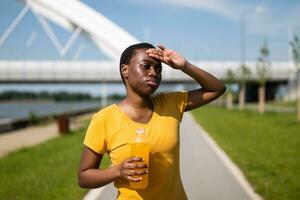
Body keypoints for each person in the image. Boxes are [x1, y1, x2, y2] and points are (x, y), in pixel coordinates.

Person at [78, 43, 226, 200]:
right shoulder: (104, 119)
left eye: (158, 69)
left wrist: (185, 66)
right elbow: (83, 176)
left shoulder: (171, 104)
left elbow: (217, 89)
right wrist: (117, 171)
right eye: (146, 66)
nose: (153, 73)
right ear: (125, 70)